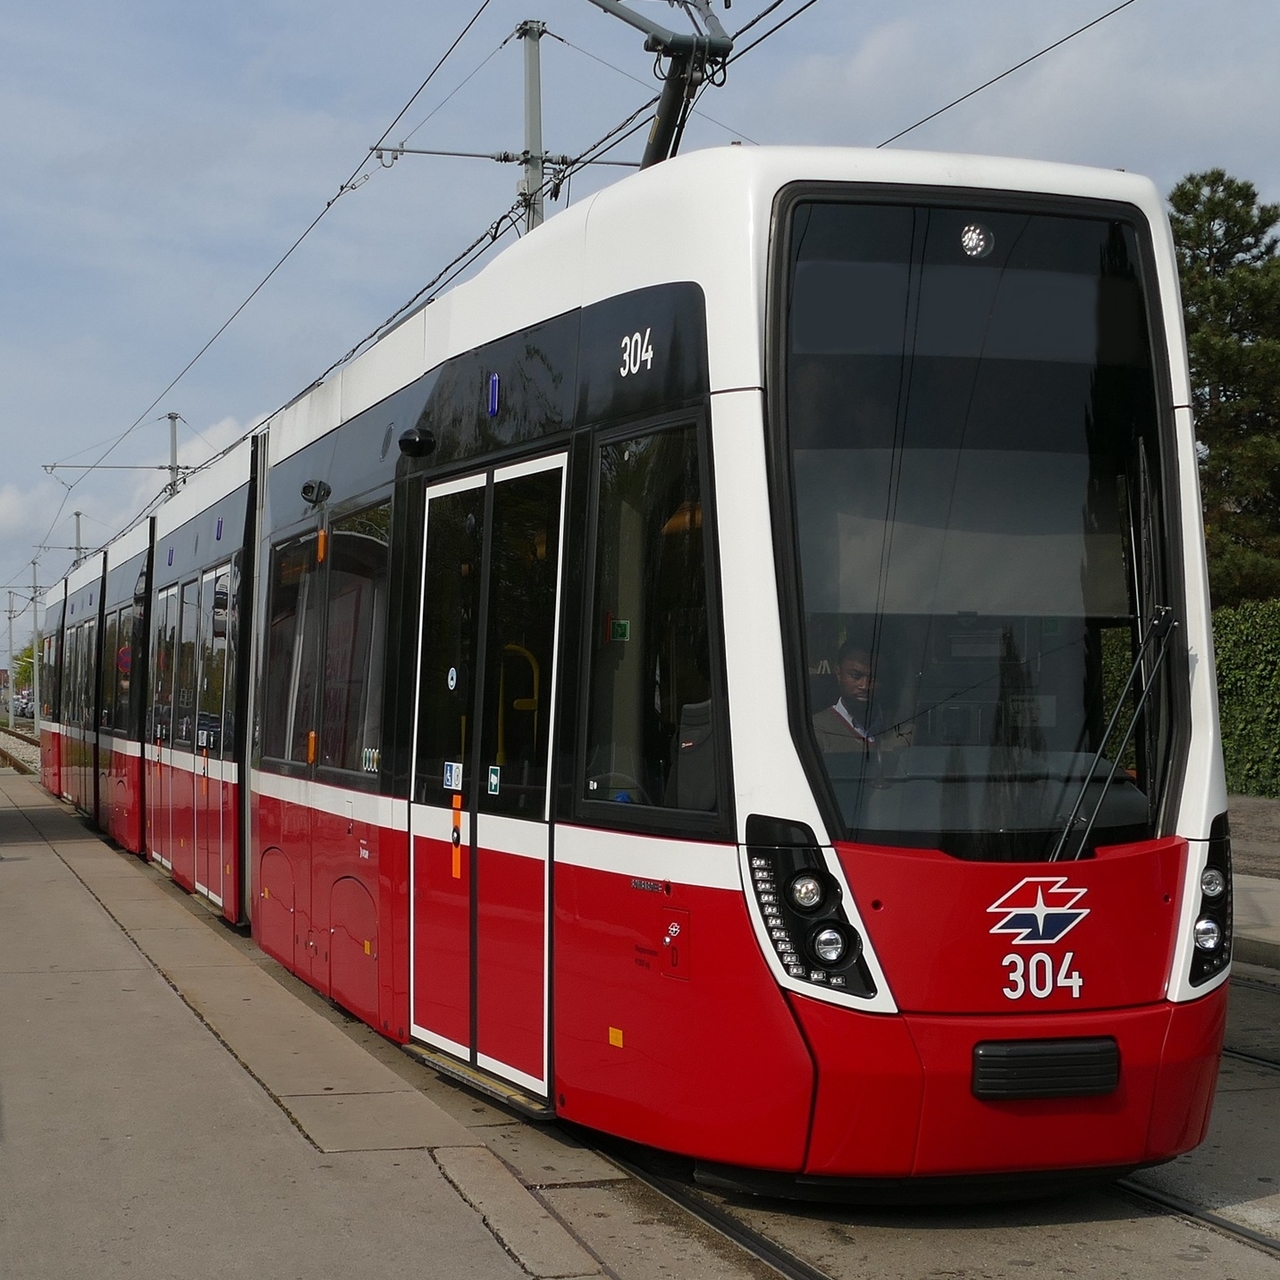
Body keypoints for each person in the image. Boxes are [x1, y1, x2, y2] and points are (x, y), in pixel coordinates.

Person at [812, 642, 888, 753]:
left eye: (874, 677)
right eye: (856, 676)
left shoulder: (901, 728)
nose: (865, 685)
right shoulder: (816, 731)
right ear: (838, 674)